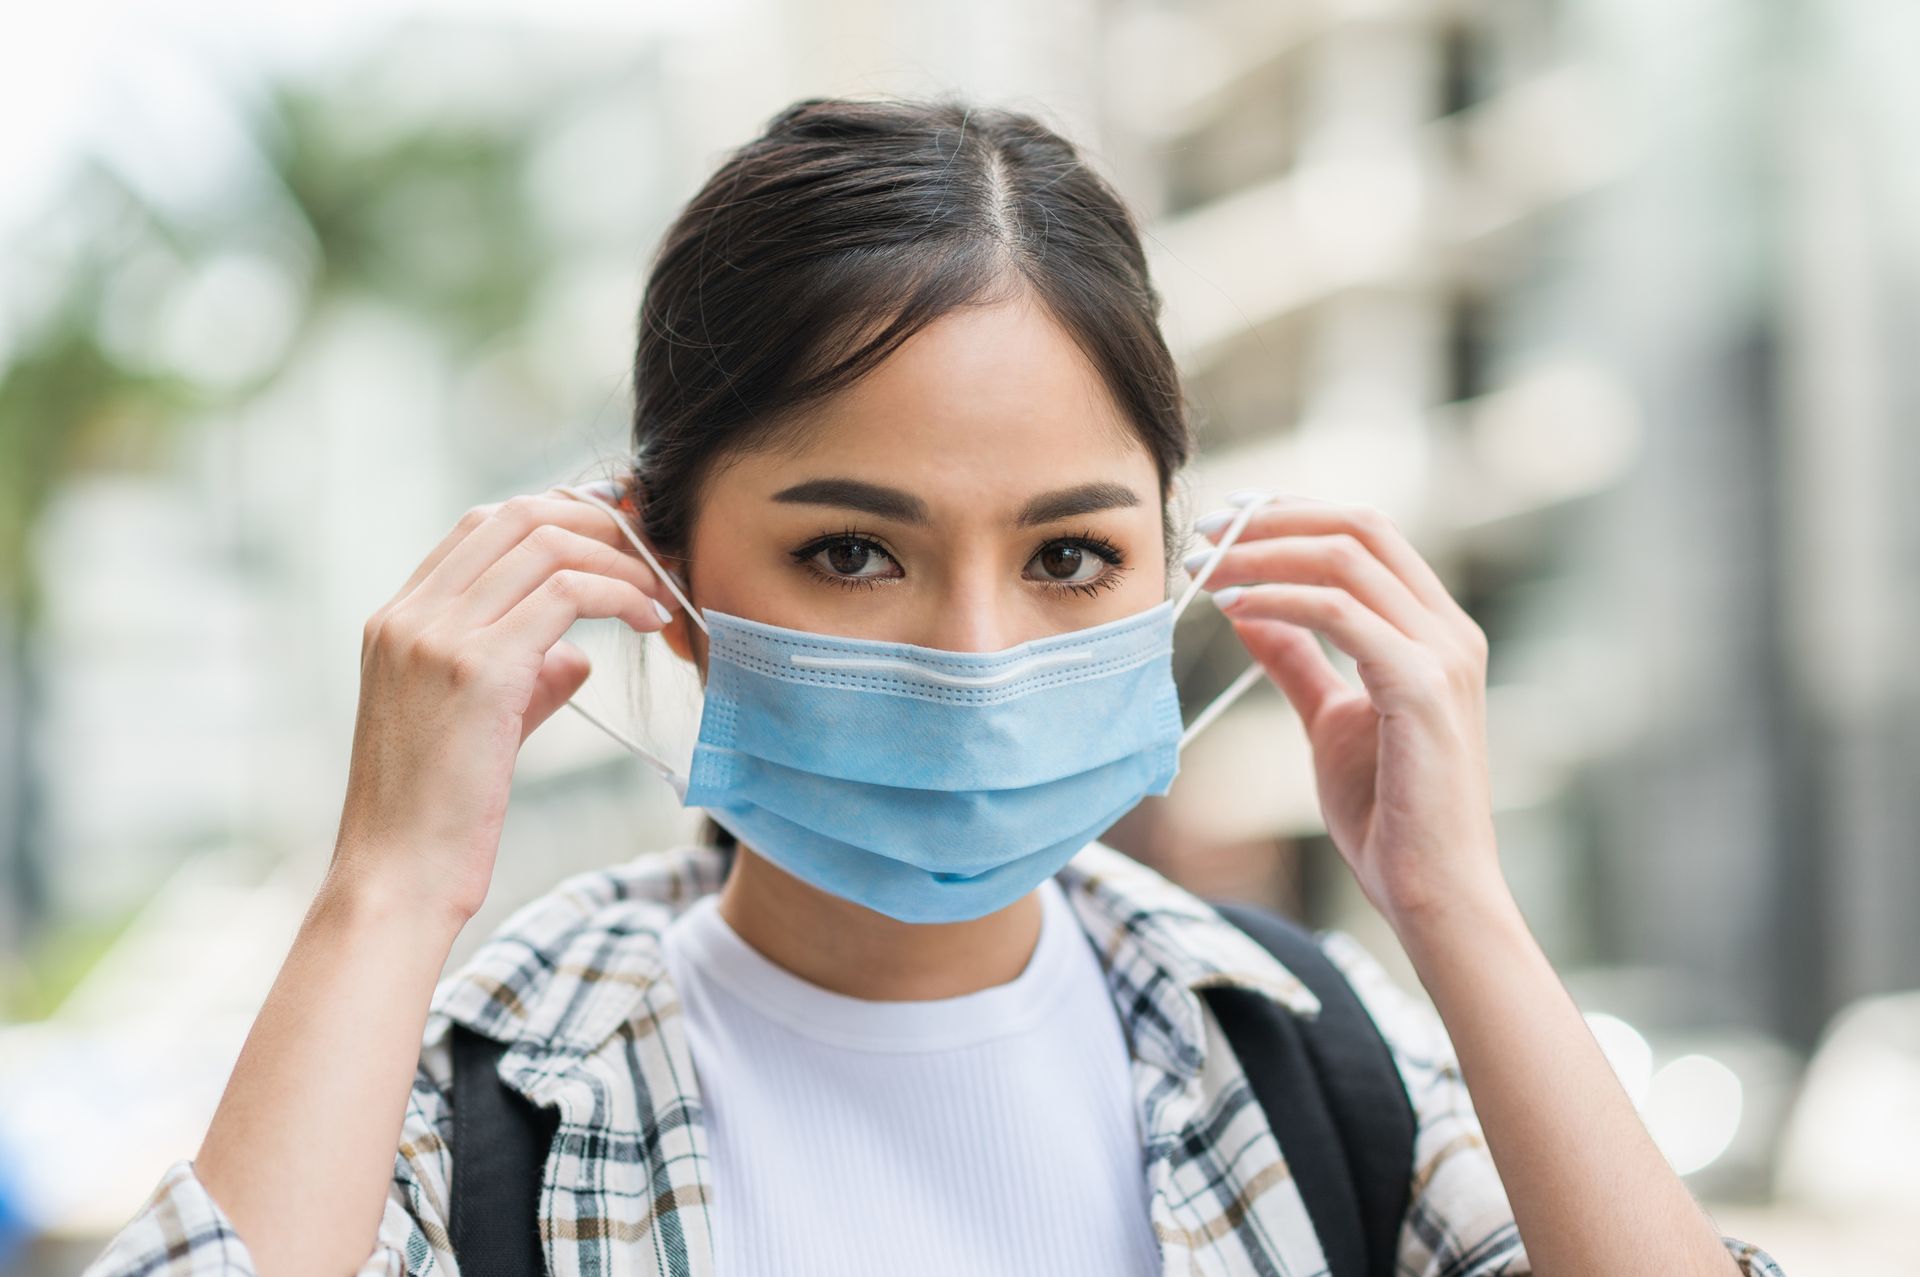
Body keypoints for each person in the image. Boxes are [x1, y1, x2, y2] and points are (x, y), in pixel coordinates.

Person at [83, 95, 1787, 1277]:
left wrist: (1459, 905)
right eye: (850, 552)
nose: (978, 659)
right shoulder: (472, 1107)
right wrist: (385, 892)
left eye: (1067, 557)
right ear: (661, 579)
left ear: (1166, 565)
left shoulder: (1310, 1056)